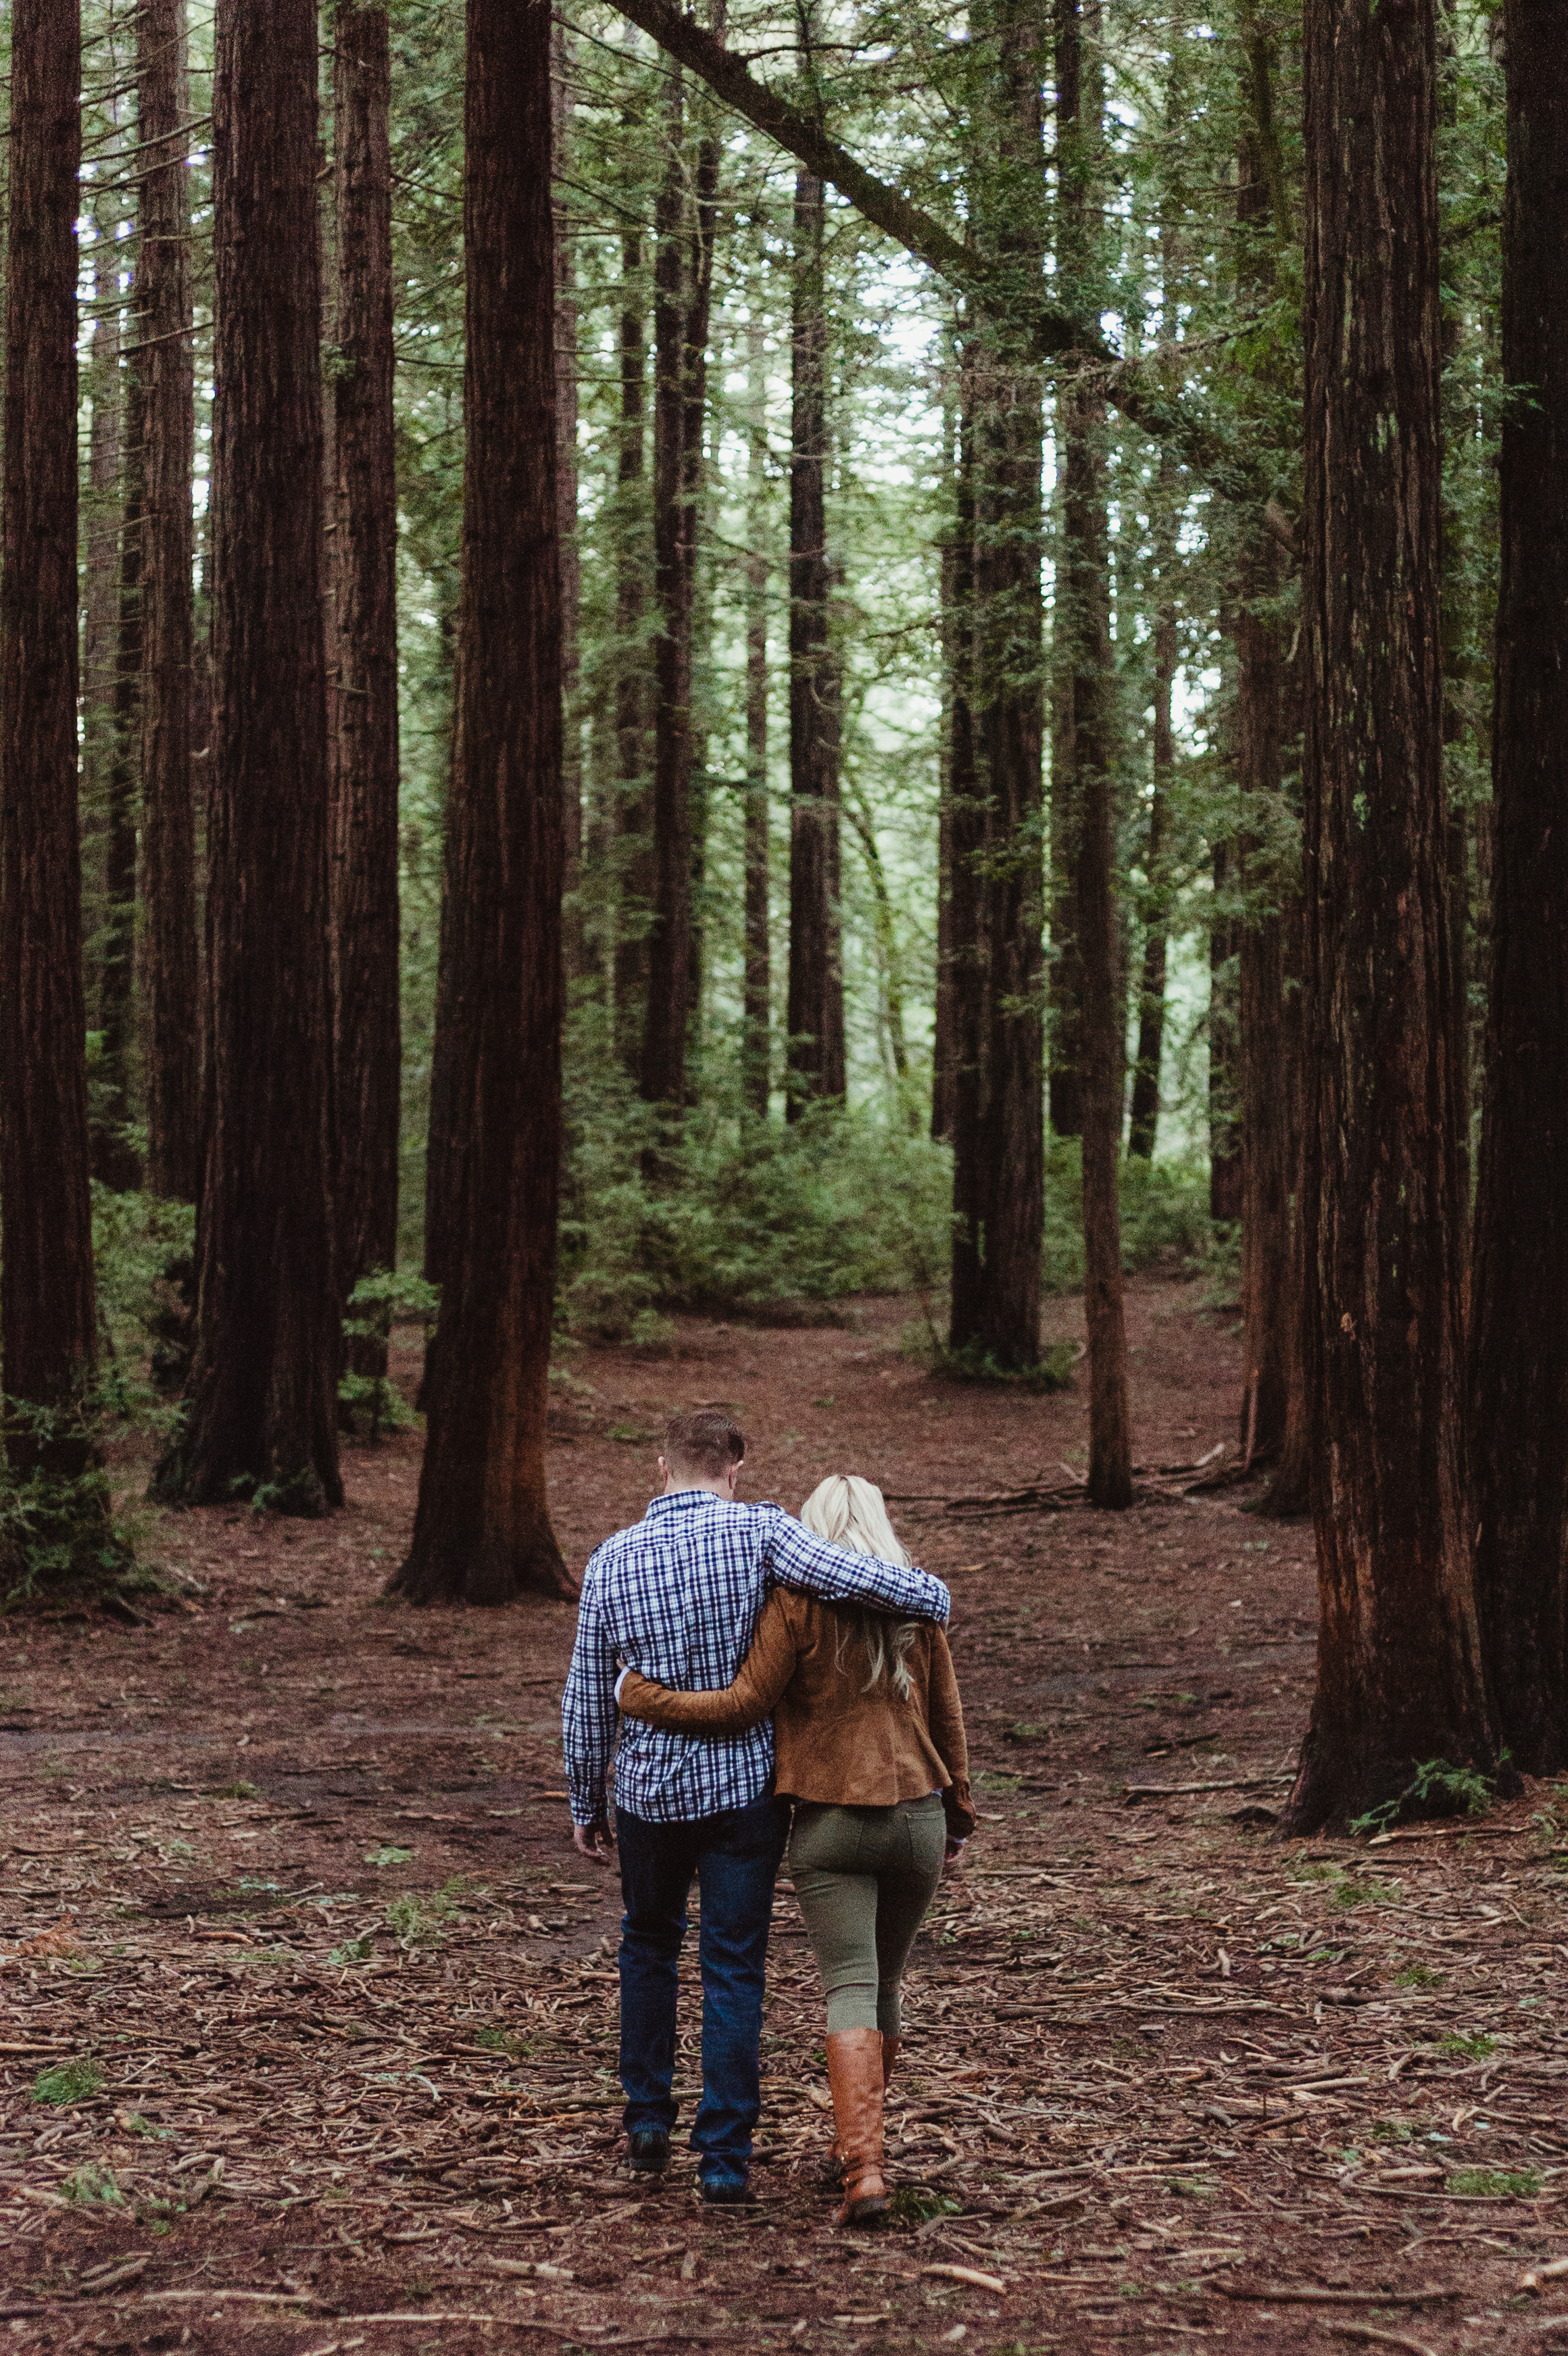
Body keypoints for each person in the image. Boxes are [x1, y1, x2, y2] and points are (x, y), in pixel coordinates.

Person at [561, 1415, 951, 2209]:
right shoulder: (764, 1532)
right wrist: (930, 1594)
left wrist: (584, 1795)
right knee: (733, 1963)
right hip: (743, 1796)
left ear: (659, 1464)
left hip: (646, 1794)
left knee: (647, 1945)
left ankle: (645, 2119)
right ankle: (724, 2159)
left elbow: (583, 1691)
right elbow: (857, 1579)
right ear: (735, 1466)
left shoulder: (609, 1559)